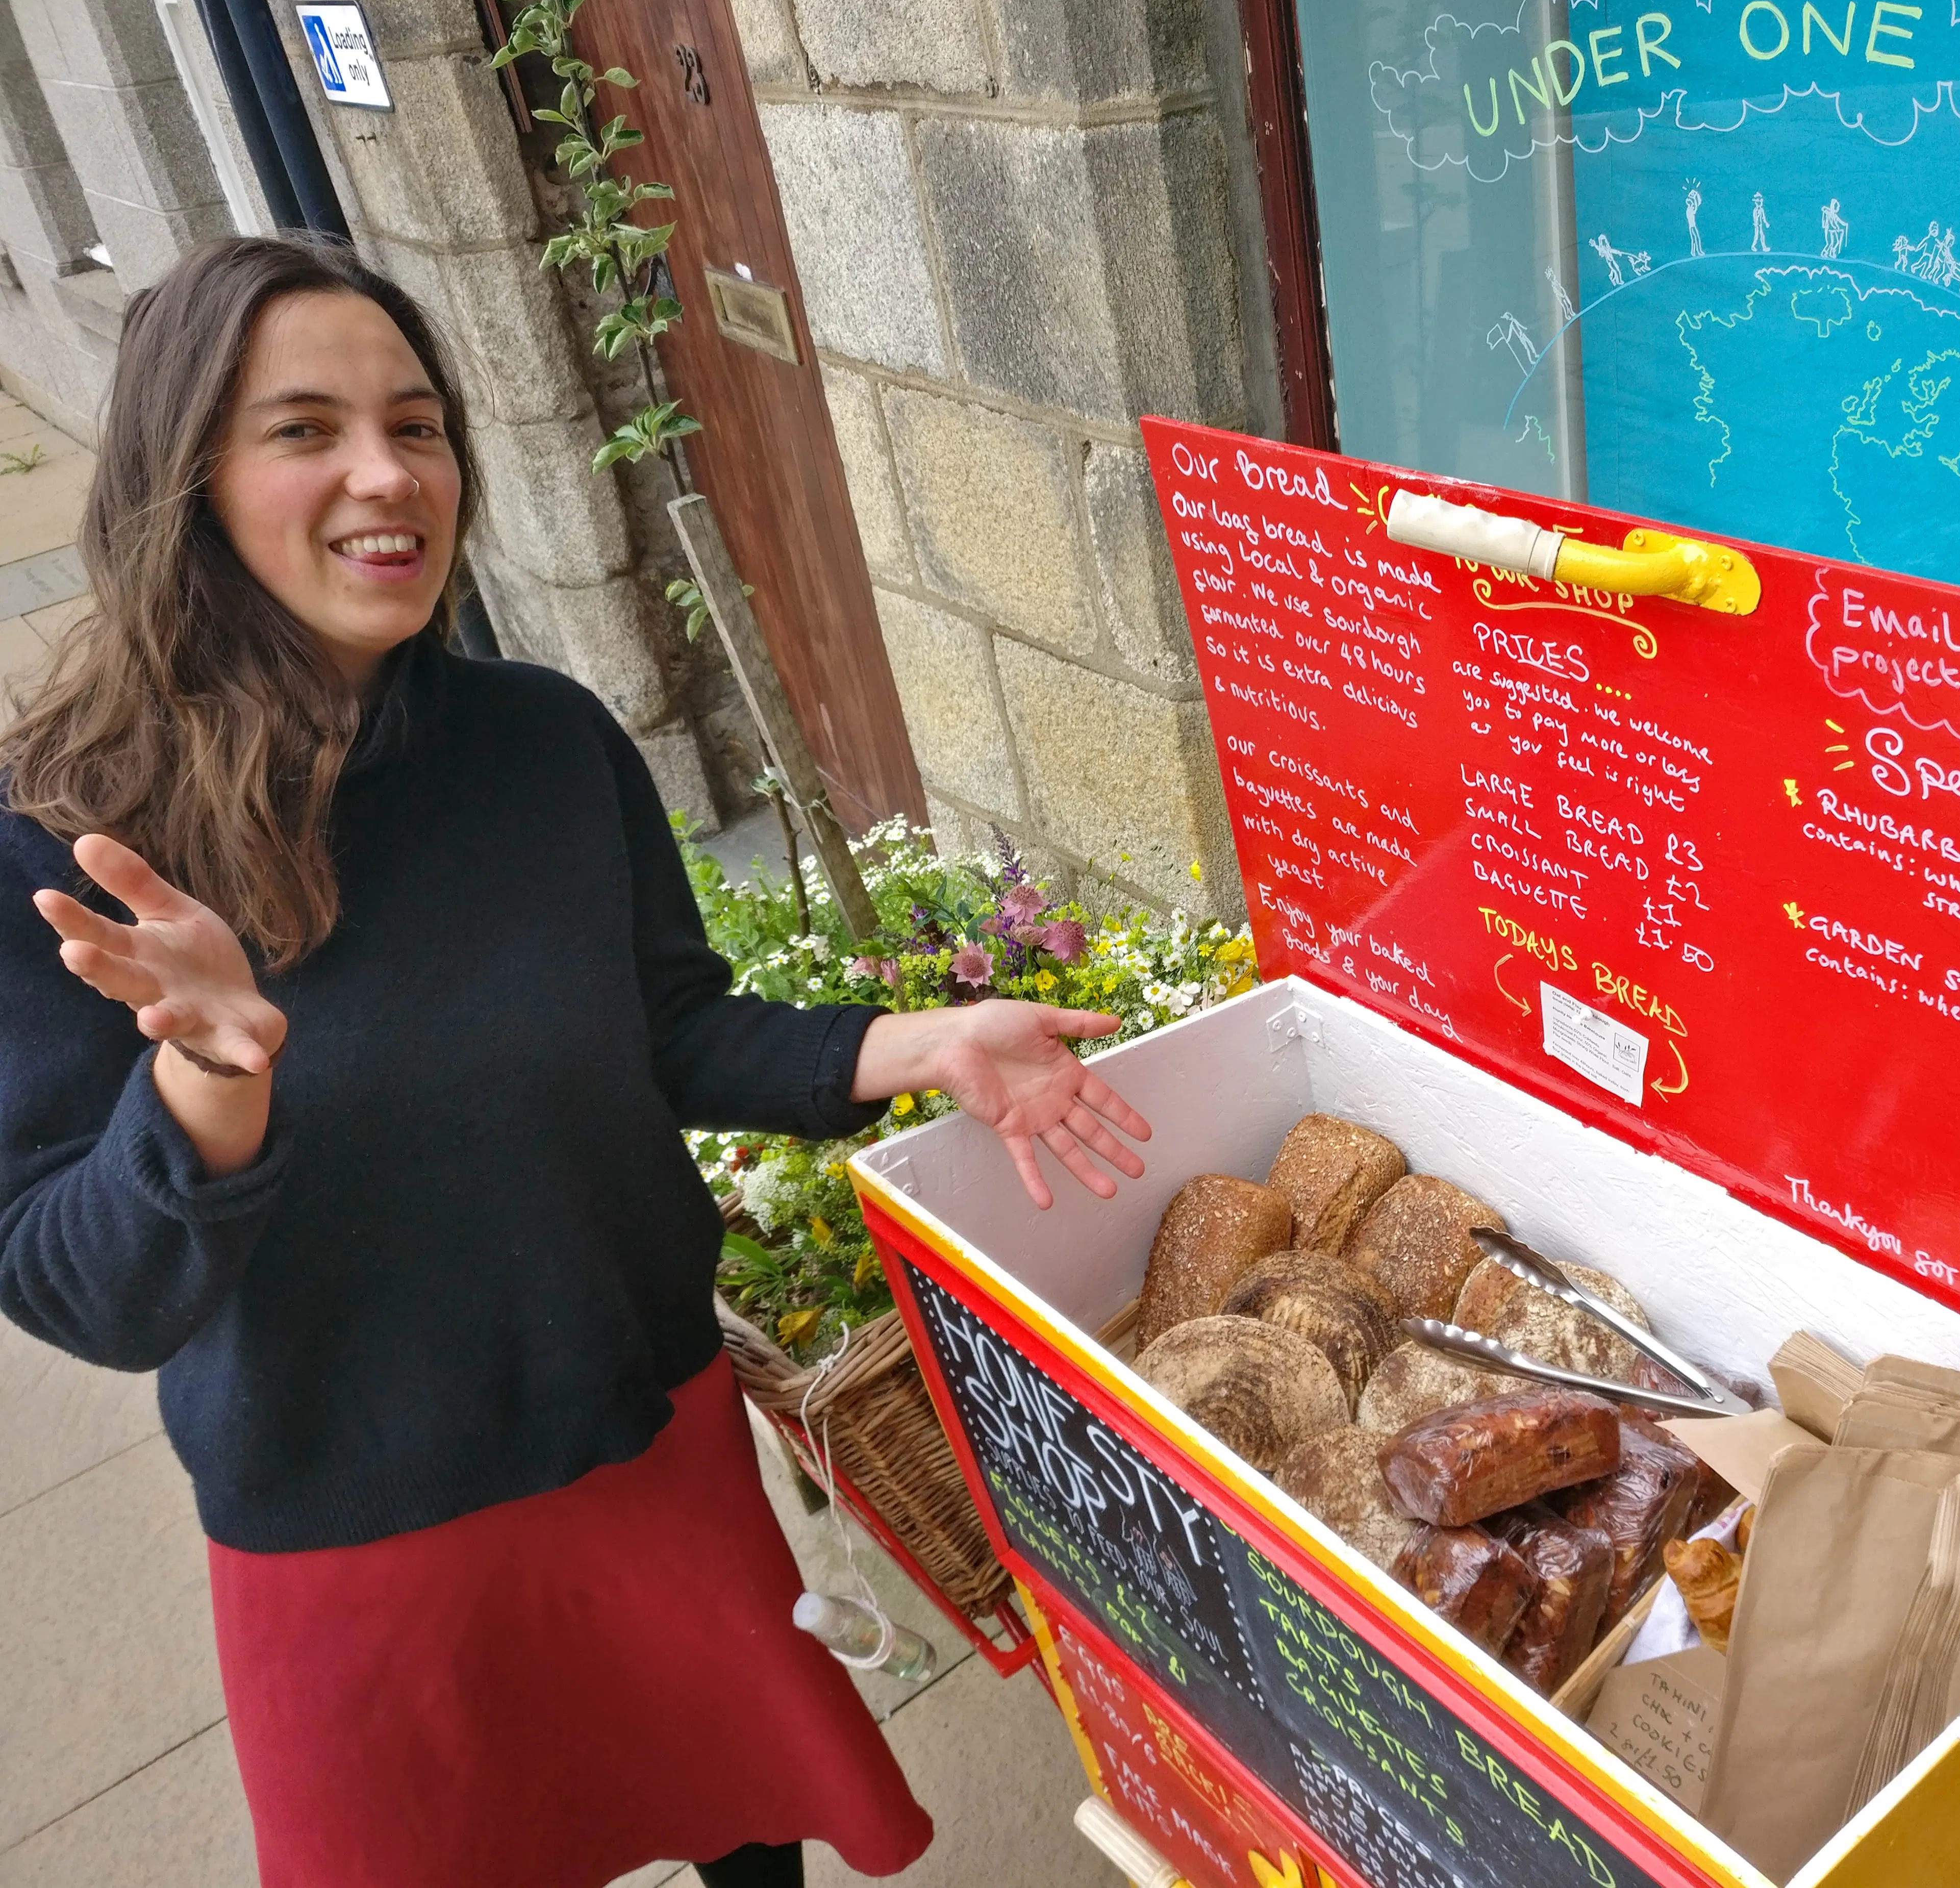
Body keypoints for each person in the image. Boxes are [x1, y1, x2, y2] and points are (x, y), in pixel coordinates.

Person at [0, 235, 1153, 1887]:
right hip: (358, 1537)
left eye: (420, 422)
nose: (386, 475)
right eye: (304, 429)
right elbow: (85, 1291)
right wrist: (208, 1079)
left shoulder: (542, 739)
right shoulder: (65, 842)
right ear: (184, 479)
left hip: (646, 1440)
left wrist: (935, 1041)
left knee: (749, 1833)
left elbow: (669, 1026)